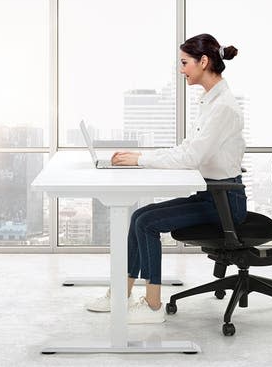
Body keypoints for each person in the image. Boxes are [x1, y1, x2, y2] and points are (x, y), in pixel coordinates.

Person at [85, 33, 247, 324]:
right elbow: (188, 150)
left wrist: (140, 160)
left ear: (204, 62)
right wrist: (140, 157)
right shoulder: (211, 101)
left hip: (224, 201)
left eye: (185, 62)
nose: (181, 69)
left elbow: (190, 158)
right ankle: (121, 294)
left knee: (146, 222)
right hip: (212, 194)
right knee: (139, 218)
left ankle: (152, 306)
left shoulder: (223, 107)